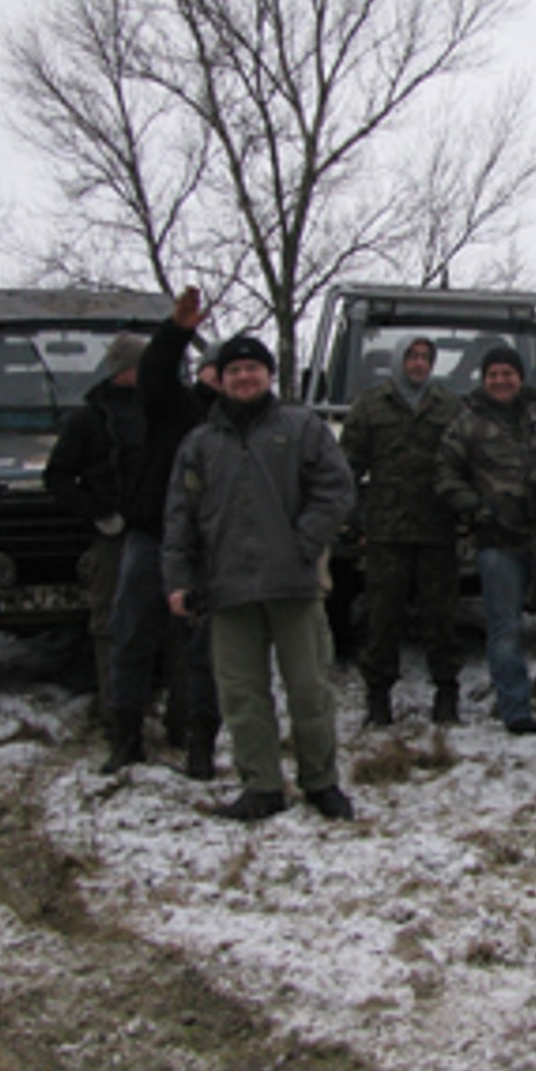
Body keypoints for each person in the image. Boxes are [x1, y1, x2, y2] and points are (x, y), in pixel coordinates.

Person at [163, 333, 357, 822]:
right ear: (220, 380)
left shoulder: (302, 427)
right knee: (242, 694)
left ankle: (321, 781)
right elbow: (180, 518)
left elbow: (336, 490)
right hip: (227, 590)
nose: (244, 378)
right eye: (233, 372)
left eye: (253, 369)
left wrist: (302, 545)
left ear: (268, 375)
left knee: (310, 690)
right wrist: (179, 579)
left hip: (294, 584)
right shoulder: (201, 444)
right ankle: (262, 785)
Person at [106, 287, 224, 780]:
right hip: (151, 538)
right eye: (218, 368)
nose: (227, 377)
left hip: (209, 551)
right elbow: (152, 375)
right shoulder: (174, 407)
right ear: (202, 372)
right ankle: (125, 740)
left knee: (203, 653)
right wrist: (178, 331)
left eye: (238, 369)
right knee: (132, 637)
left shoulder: (250, 424)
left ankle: (199, 742)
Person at [434, 346, 536, 735]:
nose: (500, 380)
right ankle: (515, 710)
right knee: (504, 630)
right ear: (484, 378)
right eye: (493, 374)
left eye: (507, 374)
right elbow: (445, 473)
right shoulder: (467, 422)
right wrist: (476, 509)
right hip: (497, 543)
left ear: (521, 377)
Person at [341, 336, 464, 727]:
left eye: (426, 357)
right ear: (399, 361)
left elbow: (465, 462)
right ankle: (378, 697)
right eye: (411, 356)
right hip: (386, 531)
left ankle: (446, 693)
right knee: (382, 617)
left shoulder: (450, 406)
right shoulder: (371, 405)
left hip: (437, 529)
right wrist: (353, 520)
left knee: (441, 617)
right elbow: (347, 468)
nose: (418, 363)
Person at [44, 331, 147, 759]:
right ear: (123, 369)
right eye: (141, 364)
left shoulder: (163, 411)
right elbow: (57, 479)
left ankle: (171, 719)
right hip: (114, 535)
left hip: (161, 532)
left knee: (170, 624)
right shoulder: (88, 419)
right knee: (109, 624)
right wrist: (97, 512)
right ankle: (116, 717)